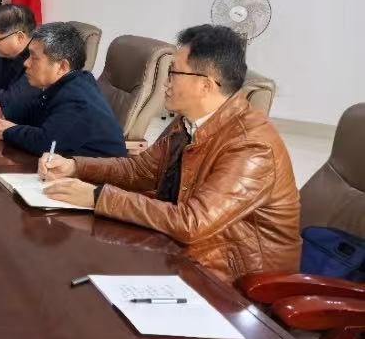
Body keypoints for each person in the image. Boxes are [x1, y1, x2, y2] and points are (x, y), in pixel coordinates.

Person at [40, 24, 300, 282]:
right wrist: (75, 166)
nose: (165, 82)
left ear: (205, 85)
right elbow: (140, 171)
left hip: (238, 283)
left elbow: (192, 223)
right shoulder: (189, 121)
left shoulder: (251, 146)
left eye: (174, 73)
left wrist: (98, 197)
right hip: (184, 251)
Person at [0, 21, 126, 158]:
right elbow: (33, 115)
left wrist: (9, 131)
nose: (26, 63)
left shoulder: (77, 98)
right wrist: (5, 120)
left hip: (97, 176)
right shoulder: (63, 85)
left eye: (34, 58)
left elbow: (46, 143)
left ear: (62, 66)